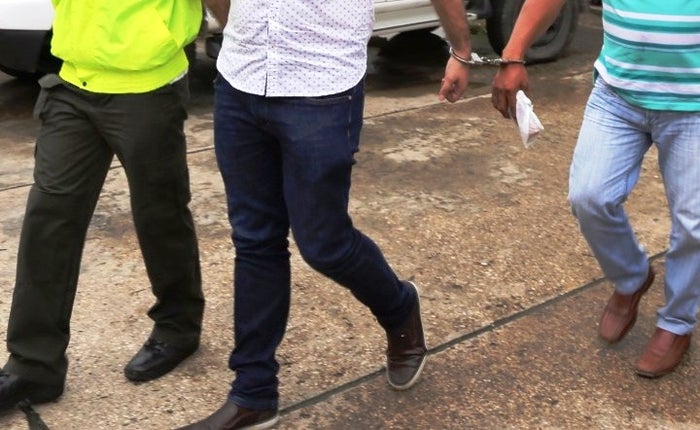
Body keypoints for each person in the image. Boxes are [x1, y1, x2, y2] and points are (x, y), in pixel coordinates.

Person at [180, 1, 471, 428]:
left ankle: (398, 306)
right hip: (241, 76)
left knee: (324, 243)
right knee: (254, 239)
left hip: (321, 83)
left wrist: (461, 49)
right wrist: (239, 26)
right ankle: (253, 391)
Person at [0, 0, 206, 412]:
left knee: (159, 212)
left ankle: (178, 327)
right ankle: (34, 365)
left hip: (148, 84)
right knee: (48, 220)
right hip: (73, 78)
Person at [492, 0, 700, 378]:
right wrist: (514, 54)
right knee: (589, 196)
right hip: (618, 94)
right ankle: (632, 277)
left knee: (693, 223)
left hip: (694, 104)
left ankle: (676, 323)